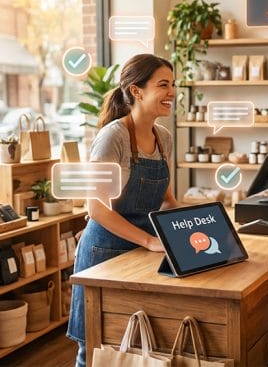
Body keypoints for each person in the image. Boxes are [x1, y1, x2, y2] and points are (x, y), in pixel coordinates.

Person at [67, 54, 179, 367]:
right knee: (92, 348)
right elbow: (97, 209)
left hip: (141, 255)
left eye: (173, 85)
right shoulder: (112, 137)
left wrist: (188, 226)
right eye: (163, 85)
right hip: (103, 254)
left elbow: (166, 199)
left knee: (132, 346)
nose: (171, 92)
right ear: (136, 91)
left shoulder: (163, 138)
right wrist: (150, 241)